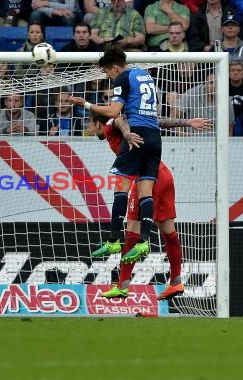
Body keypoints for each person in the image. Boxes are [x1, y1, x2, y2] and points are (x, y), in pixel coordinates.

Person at [87, 113, 211, 300]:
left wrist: (88, 106)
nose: (89, 129)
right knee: (168, 231)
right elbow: (156, 122)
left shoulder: (110, 125)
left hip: (147, 179)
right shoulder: (133, 122)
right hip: (163, 174)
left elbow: (119, 119)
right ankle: (176, 282)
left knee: (132, 232)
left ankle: (122, 285)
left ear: (97, 122)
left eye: (89, 124)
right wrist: (186, 122)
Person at [69, 46, 161, 262]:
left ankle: (113, 239)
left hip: (136, 134)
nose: (109, 78)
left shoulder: (123, 78)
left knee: (122, 187)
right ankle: (144, 242)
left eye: (107, 73)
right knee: (145, 190)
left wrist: (86, 103)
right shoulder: (144, 74)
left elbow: (113, 112)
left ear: (113, 68)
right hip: (155, 136)